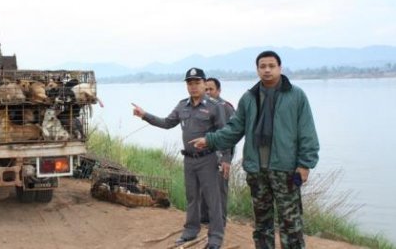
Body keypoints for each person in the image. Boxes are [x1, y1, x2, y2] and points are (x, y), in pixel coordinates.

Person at [193, 51, 320, 249]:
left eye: (271, 66)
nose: (267, 70)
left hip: (285, 169)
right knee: (262, 223)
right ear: (257, 69)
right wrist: (210, 140)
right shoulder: (249, 97)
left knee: (291, 222)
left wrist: (305, 164)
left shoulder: (296, 96)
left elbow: (307, 133)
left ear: (280, 68)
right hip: (256, 170)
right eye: (263, 66)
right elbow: (234, 129)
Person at [132, 67, 227, 249]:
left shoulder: (214, 106)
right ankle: (191, 230)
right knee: (192, 197)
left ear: (204, 83)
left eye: (197, 83)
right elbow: (167, 123)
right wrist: (144, 115)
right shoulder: (182, 105)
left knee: (212, 198)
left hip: (208, 159)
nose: (193, 87)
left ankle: (215, 238)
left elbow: (225, 134)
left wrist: (226, 159)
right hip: (189, 160)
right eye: (190, 83)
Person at [200, 77, 235, 225]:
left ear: (218, 90)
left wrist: (226, 157)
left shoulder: (226, 107)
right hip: (204, 155)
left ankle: (220, 221)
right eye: (205, 89)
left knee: (220, 189)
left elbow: (233, 133)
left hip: (221, 154)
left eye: (211, 89)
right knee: (203, 187)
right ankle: (204, 218)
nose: (208, 92)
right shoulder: (201, 106)